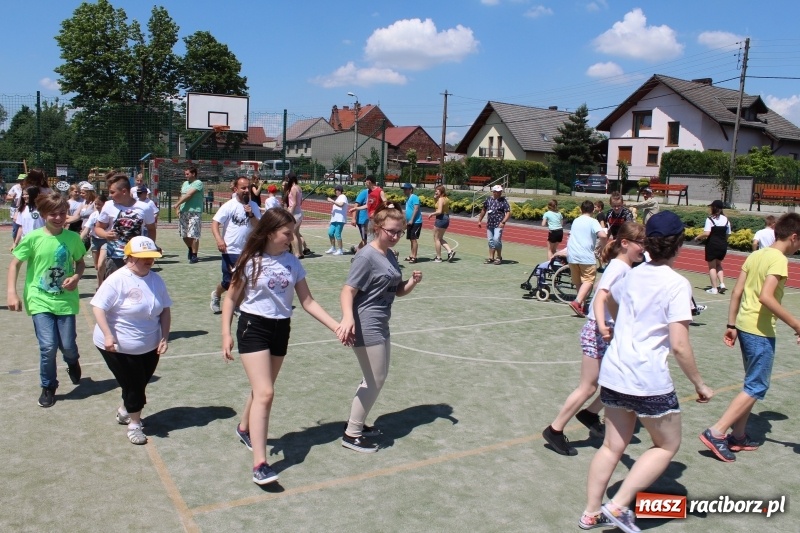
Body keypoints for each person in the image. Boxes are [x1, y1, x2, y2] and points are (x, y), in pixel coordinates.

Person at [581, 211, 714, 533]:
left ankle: (590, 513)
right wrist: (700, 384)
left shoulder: (630, 274)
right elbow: (680, 345)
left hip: (615, 370)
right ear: (679, 244)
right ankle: (618, 505)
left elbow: (608, 298)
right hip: (647, 377)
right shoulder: (677, 284)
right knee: (667, 445)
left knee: (613, 446)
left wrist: (619, 325)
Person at [221, 208, 345, 484]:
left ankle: (243, 428)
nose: (291, 237)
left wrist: (336, 326)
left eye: (292, 232)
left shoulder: (293, 262)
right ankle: (260, 464)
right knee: (266, 393)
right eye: (286, 233)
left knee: (261, 390)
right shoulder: (250, 261)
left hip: (281, 328)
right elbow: (230, 299)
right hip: (253, 327)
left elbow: (308, 302)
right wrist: (225, 334)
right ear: (268, 232)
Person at [699, 212, 800, 463]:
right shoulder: (779, 260)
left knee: (751, 384)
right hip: (759, 330)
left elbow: (737, 291)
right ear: (794, 237)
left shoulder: (756, 255)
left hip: (744, 325)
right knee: (757, 385)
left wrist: (731, 324)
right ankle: (717, 431)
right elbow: (766, 297)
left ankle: (739, 436)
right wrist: (797, 325)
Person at [542, 221, 645, 457]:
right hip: (599, 331)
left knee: (620, 380)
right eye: (641, 243)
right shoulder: (621, 268)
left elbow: (601, 289)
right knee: (588, 387)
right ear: (625, 243)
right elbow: (601, 297)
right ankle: (555, 429)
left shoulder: (622, 267)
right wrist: (603, 325)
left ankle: (590, 414)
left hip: (607, 330)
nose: (644, 248)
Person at [339, 205, 423, 453]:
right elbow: (348, 290)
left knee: (375, 377)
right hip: (366, 322)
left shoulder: (389, 254)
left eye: (400, 232)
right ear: (378, 228)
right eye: (391, 232)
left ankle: (358, 424)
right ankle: (351, 433)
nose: (396, 236)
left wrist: (412, 283)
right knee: (375, 379)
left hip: (381, 321)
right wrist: (347, 318)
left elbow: (396, 291)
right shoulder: (367, 255)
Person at [6, 192, 86, 408]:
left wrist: (77, 277)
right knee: (48, 346)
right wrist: (11, 292)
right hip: (39, 298)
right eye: (53, 214)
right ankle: (49, 385)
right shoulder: (33, 238)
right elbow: (14, 264)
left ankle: (72, 360)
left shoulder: (72, 238)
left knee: (68, 346)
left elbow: (80, 262)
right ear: (42, 214)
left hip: (65, 300)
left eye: (62, 213)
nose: (59, 218)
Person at [91, 236, 170, 445]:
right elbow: (98, 307)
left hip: (150, 345)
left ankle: (126, 409)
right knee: (135, 385)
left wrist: (165, 336)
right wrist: (108, 334)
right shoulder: (117, 279)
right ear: (129, 257)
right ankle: (135, 424)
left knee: (140, 381)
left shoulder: (156, 280)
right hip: (117, 346)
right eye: (143, 257)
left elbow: (165, 311)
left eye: (151, 257)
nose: (149, 261)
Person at [210, 177, 262, 314]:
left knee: (246, 282)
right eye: (243, 188)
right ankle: (216, 294)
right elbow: (215, 223)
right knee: (229, 283)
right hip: (230, 250)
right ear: (236, 189)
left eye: (248, 188)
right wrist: (219, 239)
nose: (246, 191)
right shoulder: (229, 206)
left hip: (248, 251)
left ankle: (237, 306)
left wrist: (250, 214)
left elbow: (259, 226)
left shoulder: (254, 206)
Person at [94, 173, 157, 281]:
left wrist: (150, 248)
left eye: (112, 192)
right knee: (114, 288)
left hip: (136, 255)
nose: (110, 195)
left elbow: (151, 229)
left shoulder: (144, 207)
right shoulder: (109, 205)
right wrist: (105, 234)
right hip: (115, 256)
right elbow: (97, 228)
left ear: (124, 191)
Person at [566, 200, 608, 317]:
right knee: (588, 280)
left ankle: (581, 306)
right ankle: (577, 302)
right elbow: (603, 235)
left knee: (578, 281)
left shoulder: (576, 220)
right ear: (593, 210)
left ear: (581, 209)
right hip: (586, 256)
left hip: (572, 255)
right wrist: (603, 247)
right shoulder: (593, 221)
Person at [695, 199, 731, 294]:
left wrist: (697, 237)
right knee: (719, 264)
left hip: (712, 245)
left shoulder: (710, 219)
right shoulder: (726, 219)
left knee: (712, 267)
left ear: (713, 208)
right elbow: (728, 234)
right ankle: (722, 283)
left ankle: (714, 288)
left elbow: (707, 233)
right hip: (722, 245)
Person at [173, 166, 204, 263]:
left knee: (193, 234)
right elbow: (182, 195)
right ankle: (190, 248)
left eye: (187, 174)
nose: (185, 176)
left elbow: (188, 195)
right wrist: (178, 208)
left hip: (194, 212)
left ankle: (194, 255)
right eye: (185, 174)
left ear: (193, 174)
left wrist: (177, 204)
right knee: (184, 234)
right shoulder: (185, 183)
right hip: (183, 212)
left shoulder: (198, 183)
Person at [476, 185, 511, 264]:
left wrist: (503, 222)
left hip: (499, 224)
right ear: (494, 192)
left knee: (496, 239)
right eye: (498, 191)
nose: (499, 193)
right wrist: (479, 221)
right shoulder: (488, 200)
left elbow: (508, 212)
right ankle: (491, 257)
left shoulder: (503, 201)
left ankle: (499, 257)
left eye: (500, 191)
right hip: (490, 224)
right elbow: (484, 210)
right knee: (490, 241)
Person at [348, 175, 387, 245]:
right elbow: (367, 205)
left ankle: (389, 253)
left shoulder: (379, 191)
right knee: (369, 240)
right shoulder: (369, 192)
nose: (365, 183)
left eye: (365, 181)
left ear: (369, 182)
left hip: (377, 219)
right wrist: (356, 208)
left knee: (377, 239)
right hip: (371, 220)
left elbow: (385, 202)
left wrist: (379, 211)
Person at [81, 193, 108, 290]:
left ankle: (101, 288)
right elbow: (86, 229)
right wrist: (79, 240)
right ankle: (102, 280)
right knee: (97, 267)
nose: (97, 206)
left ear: (105, 204)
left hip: (106, 240)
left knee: (101, 264)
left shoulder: (109, 215)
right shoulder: (94, 215)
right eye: (96, 204)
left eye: (99, 204)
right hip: (95, 240)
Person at [282, 173, 311, 258]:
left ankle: (297, 253)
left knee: (293, 234)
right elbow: (300, 202)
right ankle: (301, 253)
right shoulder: (299, 187)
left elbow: (294, 203)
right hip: (299, 212)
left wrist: (290, 213)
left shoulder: (293, 188)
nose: (287, 180)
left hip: (295, 213)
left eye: (287, 179)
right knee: (297, 233)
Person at [427, 185, 455, 262]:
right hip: (446, 218)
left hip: (441, 218)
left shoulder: (441, 199)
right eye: (435, 190)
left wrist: (432, 214)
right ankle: (450, 251)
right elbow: (438, 206)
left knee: (436, 239)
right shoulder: (446, 199)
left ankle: (438, 257)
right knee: (440, 238)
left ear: (441, 192)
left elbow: (439, 211)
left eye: (437, 190)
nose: (436, 192)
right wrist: (434, 198)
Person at [400, 183, 423, 263]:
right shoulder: (407, 199)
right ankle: (411, 255)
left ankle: (415, 257)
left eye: (406, 189)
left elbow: (416, 209)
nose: (404, 191)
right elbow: (407, 211)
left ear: (410, 190)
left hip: (416, 222)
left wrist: (412, 220)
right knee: (411, 239)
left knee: (414, 239)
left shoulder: (414, 197)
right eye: (404, 189)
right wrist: (406, 222)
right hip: (410, 222)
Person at [325, 184, 348, 256]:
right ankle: (333, 247)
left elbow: (341, 205)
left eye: (337, 190)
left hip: (340, 219)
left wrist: (332, 201)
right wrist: (331, 220)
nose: (336, 191)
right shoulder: (337, 198)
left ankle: (340, 250)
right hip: (334, 220)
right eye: (335, 190)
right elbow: (334, 211)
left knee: (337, 234)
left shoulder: (343, 196)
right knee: (330, 233)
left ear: (340, 191)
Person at [349, 183, 370, 253]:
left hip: (371, 220)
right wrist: (353, 218)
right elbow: (356, 205)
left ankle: (356, 249)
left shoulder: (377, 193)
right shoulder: (364, 193)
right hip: (363, 220)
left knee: (370, 239)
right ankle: (358, 254)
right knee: (365, 240)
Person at [6, 173, 26, 242]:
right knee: (16, 227)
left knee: (25, 226)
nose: (20, 182)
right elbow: (7, 197)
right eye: (19, 180)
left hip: (24, 208)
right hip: (15, 209)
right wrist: (12, 197)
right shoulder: (15, 187)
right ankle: (15, 243)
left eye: (22, 180)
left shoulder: (28, 188)